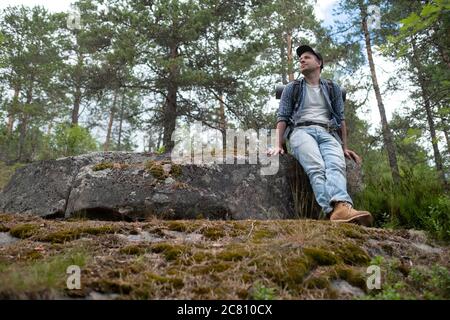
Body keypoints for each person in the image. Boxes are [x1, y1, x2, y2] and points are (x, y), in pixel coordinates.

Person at [269, 45, 373, 227]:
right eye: (300, 58)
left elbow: (341, 120)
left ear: (319, 63)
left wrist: (344, 147)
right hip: (301, 131)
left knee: (336, 164)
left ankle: (341, 207)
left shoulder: (333, 88)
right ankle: (336, 210)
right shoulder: (291, 88)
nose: (302, 60)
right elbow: (282, 117)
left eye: (307, 57)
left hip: (327, 132)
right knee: (316, 166)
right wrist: (278, 144)